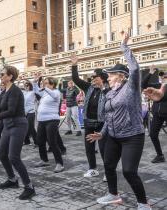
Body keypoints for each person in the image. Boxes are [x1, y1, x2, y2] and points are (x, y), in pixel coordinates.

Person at [87, 33, 151, 210]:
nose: (107, 77)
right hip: (113, 136)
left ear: (121, 76)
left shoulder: (131, 88)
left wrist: (124, 46)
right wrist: (102, 133)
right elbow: (109, 117)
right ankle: (114, 195)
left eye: (110, 74)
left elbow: (136, 70)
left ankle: (144, 203)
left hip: (133, 136)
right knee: (108, 165)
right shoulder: (109, 93)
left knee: (129, 171)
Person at [0, 65, 36, 200]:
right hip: (9, 126)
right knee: (2, 154)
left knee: (13, 157)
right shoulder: (5, 91)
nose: (0, 76)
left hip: (18, 125)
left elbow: (12, 111)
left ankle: (29, 187)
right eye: (0, 74)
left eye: (3, 74)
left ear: (10, 76)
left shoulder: (15, 91)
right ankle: (12, 179)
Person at [70, 54, 109, 179]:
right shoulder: (88, 87)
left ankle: (108, 172)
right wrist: (74, 65)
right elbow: (76, 79)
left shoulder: (109, 90)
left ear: (102, 78)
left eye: (94, 77)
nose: (92, 79)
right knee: (89, 148)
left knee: (104, 150)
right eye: (91, 77)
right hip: (88, 122)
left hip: (102, 123)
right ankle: (93, 169)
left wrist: (103, 87)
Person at [33, 76, 64, 173]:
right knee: (40, 141)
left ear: (52, 84)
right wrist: (34, 82)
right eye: (44, 83)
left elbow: (54, 96)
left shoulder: (56, 92)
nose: (44, 85)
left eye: (47, 83)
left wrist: (45, 87)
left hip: (52, 120)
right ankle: (44, 160)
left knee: (52, 142)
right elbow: (37, 91)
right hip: (41, 120)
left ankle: (60, 164)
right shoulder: (45, 93)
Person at [141, 66, 167, 163]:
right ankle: (160, 155)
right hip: (157, 114)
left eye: (165, 77)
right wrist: (151, 72)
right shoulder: (157, 85)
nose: (163, 78)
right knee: (152, 134)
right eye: (162, 76)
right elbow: (143, 84)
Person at [23, 80, 37, 146]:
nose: (26, 87)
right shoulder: (24, 93)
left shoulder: (32, 92)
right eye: (25, 86)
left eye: (27, 85)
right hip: (25, 112)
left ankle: (37, 142)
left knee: (31, 127)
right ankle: (26, 141)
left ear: (30, 86)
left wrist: (29, 81)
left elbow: (35, 87)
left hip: (31, 112)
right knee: (25, 127)